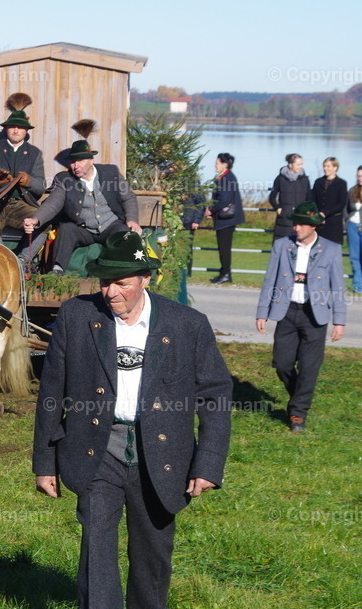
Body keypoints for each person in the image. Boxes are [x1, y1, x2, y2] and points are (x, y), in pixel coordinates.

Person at [32, 231, 232, 609]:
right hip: (95, 449)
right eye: (105, 282)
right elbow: (51, 393)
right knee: (96, 548)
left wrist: (208, 464)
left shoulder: (187, 324)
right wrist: (44, 463)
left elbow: (216, 396)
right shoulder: (77, 316)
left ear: (145, 278)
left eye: (121, 283)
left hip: (162, 454)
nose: (110, 293)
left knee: (153, 553)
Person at [256, 201, 347, 433]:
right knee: (282, 364)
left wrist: (339, 320)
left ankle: (298, 414)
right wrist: (262, 312)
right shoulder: (281, 246)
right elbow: (270, 279)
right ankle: (299, 397)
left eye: (302, 224)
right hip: (286, 311)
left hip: (314, 315)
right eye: (295, 223)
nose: (296, 227)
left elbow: (338, 286)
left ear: (313, 226)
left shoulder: (331, 249)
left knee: (309, 367)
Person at [22, 119, 141, 275]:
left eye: (80, 160)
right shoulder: (64, 179)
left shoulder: (111, 173)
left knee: (123, 233)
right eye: (72, 161)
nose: (75, 166)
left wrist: (132, 219)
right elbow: (53, 203)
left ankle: (114, 272)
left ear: (91, 160)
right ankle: (57, 270)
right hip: (83, 229)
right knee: (66, 229)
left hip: (111, 225)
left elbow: (129, 197)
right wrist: (36, 219)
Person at [0, 93, 45, 246]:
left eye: (20, 127)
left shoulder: (35, 153)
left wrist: (28, 181)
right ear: (6, 129)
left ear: (26, 130)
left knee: (42, 222)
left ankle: (24, 262)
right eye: (12, 127)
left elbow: (40, 186)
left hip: (19, 204)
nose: (16, 130)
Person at [204, 152, 244, 284]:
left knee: (224, 248)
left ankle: (226, 273)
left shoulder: (227, 178)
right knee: (223, 248)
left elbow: (224, 200)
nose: (214, 165)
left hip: (227, 220)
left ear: (224, 164)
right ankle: (224, 272)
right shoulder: (224, 177)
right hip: (224, 219)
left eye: (217, 162)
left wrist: (211, 209)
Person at [269, 153, 311, 241]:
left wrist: (308, 213)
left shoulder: (305, 179)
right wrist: (278, 208)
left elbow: (309, 198)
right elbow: (272, 197)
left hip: (301, 218)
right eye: (298, 164)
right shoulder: (280, 179)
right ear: (290, 165)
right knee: (282, 244)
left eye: (301, 164)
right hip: (285, 219)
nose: (300, 166)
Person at [311, 157, 347, 244]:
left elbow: (341, 203)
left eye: (328, 166)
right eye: (324, 166)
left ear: (335, 167)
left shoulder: (341, 183)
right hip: (319, 222)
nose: (325, 168)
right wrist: (318, 214)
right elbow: (313, 200)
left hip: (334, 222)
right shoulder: (318, 182)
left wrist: (325, 213)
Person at [348, 166, 362, 293]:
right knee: (354, 257)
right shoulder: (352, 191)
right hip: (353, 225)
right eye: (358, 176)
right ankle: (358, 286)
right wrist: (346, 220)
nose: (360, 178)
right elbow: (346, 208)